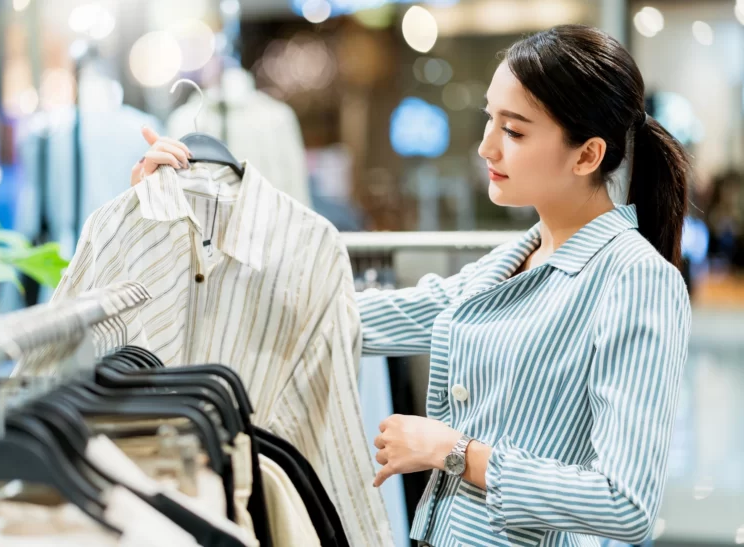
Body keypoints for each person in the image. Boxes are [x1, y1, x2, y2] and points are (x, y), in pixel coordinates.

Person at [131, 25, 691, 547]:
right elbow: (338, 311)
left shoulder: (635, 280)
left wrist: (453, 452)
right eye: (489, 119)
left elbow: (626, 502)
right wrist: (194, 223)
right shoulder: (513, 259)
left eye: (513, 130)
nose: (486, 147)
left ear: (588, 154)